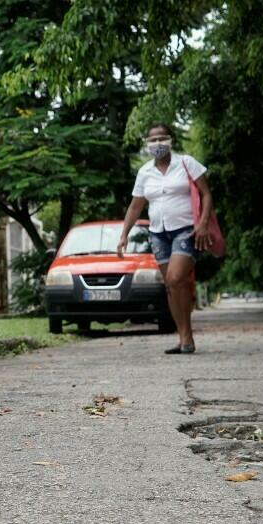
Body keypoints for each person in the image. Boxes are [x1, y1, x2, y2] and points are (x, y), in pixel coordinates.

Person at [116, 123, 214, 354]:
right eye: (152, 140)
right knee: (172, 286)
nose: (157, 143)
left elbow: (206, 194)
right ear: (147, 144)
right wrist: (124, 235)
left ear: (170, 140)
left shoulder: (186, 163)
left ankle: (186, 336)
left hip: (186, 229)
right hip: (158, 232)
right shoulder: (144, 172)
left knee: (176, 277)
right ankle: (184, 338)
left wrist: (202, 224)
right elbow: (135, 206)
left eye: (162, 138)